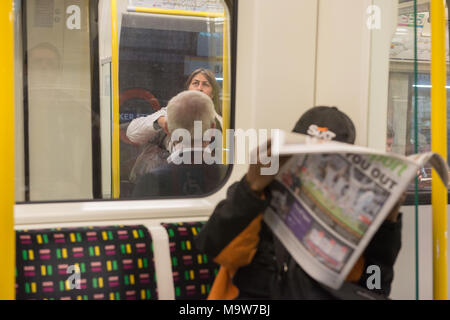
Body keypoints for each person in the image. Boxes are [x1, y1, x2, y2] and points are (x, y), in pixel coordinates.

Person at [195, 106, 403, 300]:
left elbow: (375, 287)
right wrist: (251, 187)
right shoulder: (257, 195)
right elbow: (213, 246)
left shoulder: (353, 214)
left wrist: (388, 224)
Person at [126, 68, 222, 183]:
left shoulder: (221, 121)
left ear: (212, 94)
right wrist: (160, 121)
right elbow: (132, 133)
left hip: (208, 175)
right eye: (195, 83)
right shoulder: (171, 112)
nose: (199, 88)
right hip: (172, 175)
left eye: (205, 84)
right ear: (188, 89)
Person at [132, 90, 227, 198]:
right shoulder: (228, 178)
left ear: (167, 129)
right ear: (213, 129)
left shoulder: (151, 182)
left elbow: (131, 133)